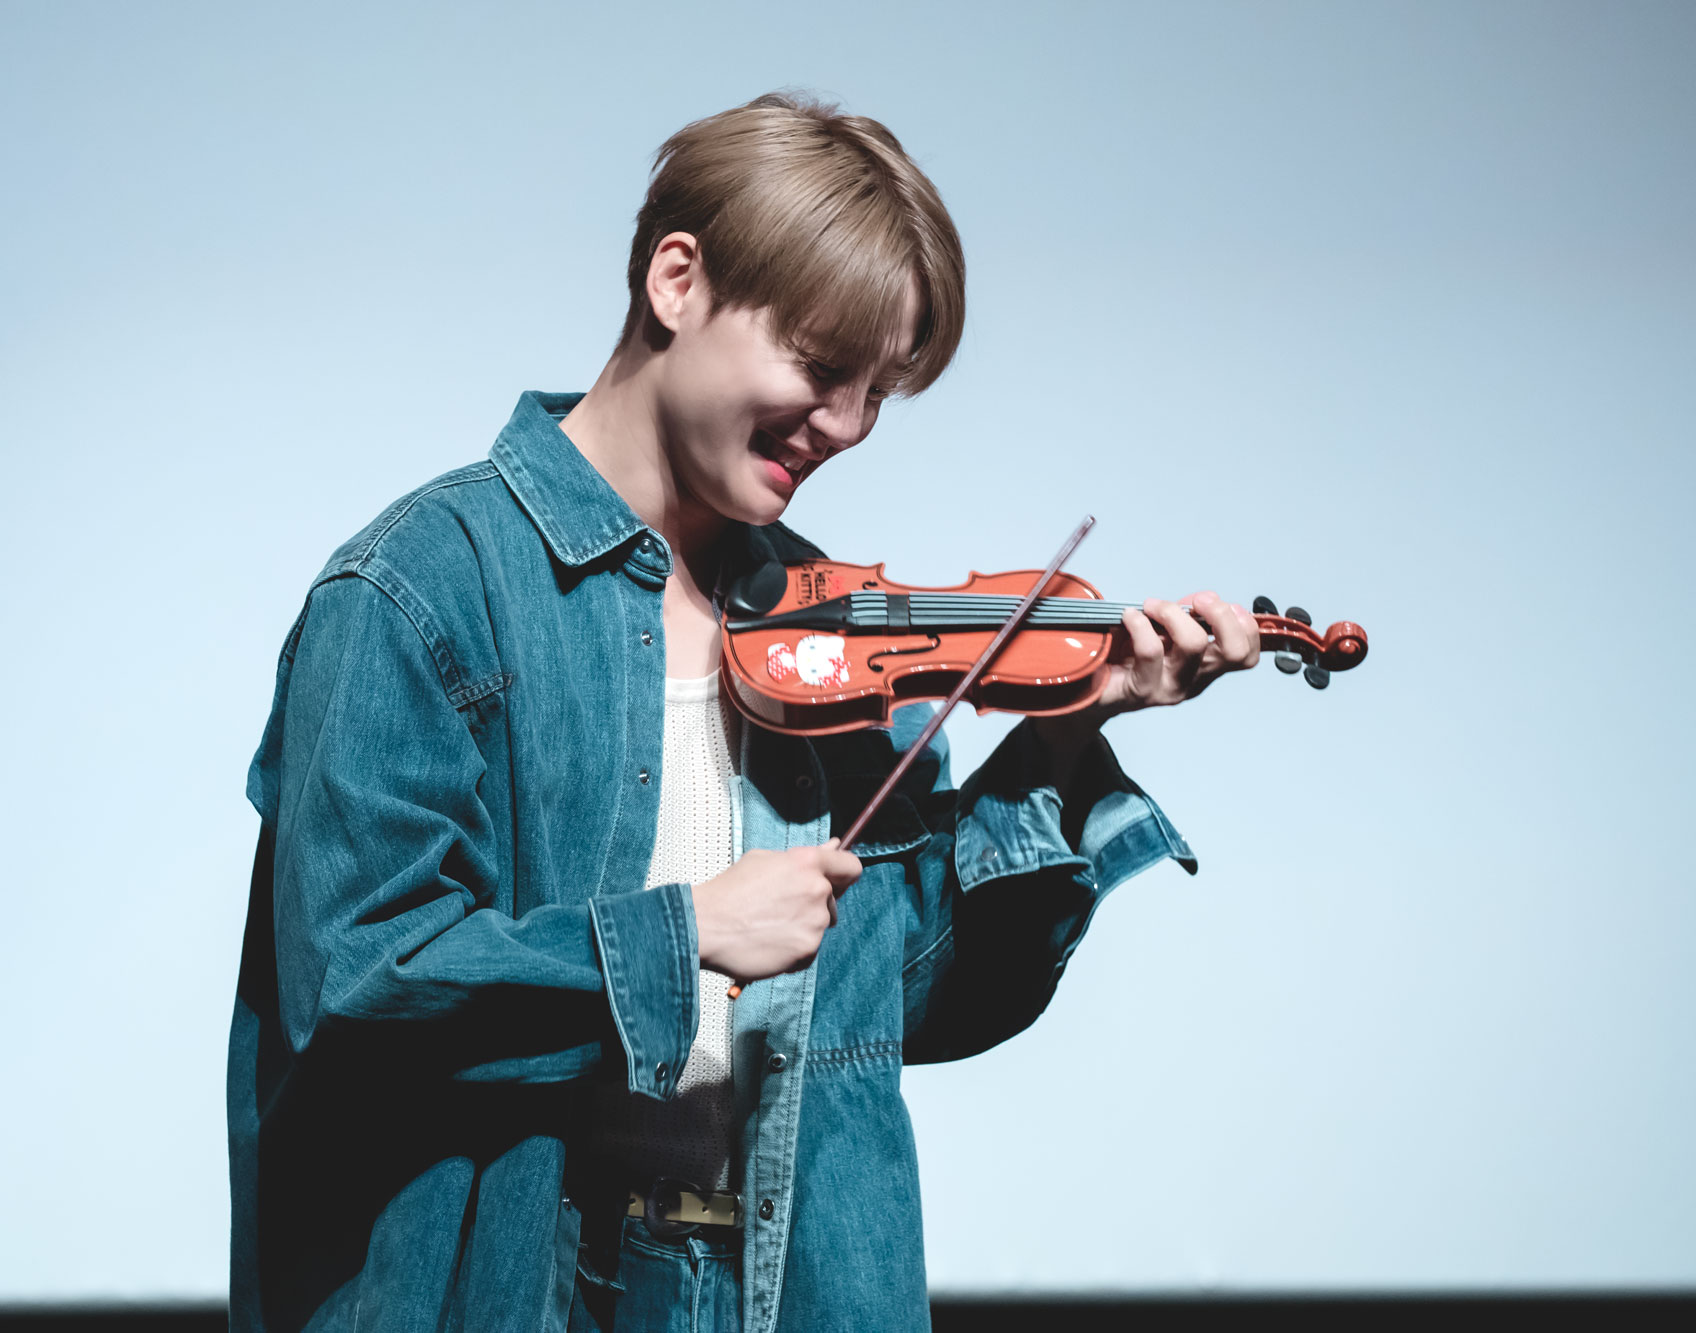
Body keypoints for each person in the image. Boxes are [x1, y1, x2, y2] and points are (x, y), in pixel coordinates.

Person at [227, 91, 1261, 1333]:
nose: (846, 426)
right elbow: (356, 987)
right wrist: (689, 936)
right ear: (677, 282)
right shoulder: (418, 587)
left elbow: (900, 1001)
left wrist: (1061, 731)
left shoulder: (832, 626)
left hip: (779, 1292)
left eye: (877, 393)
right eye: (821, 368)